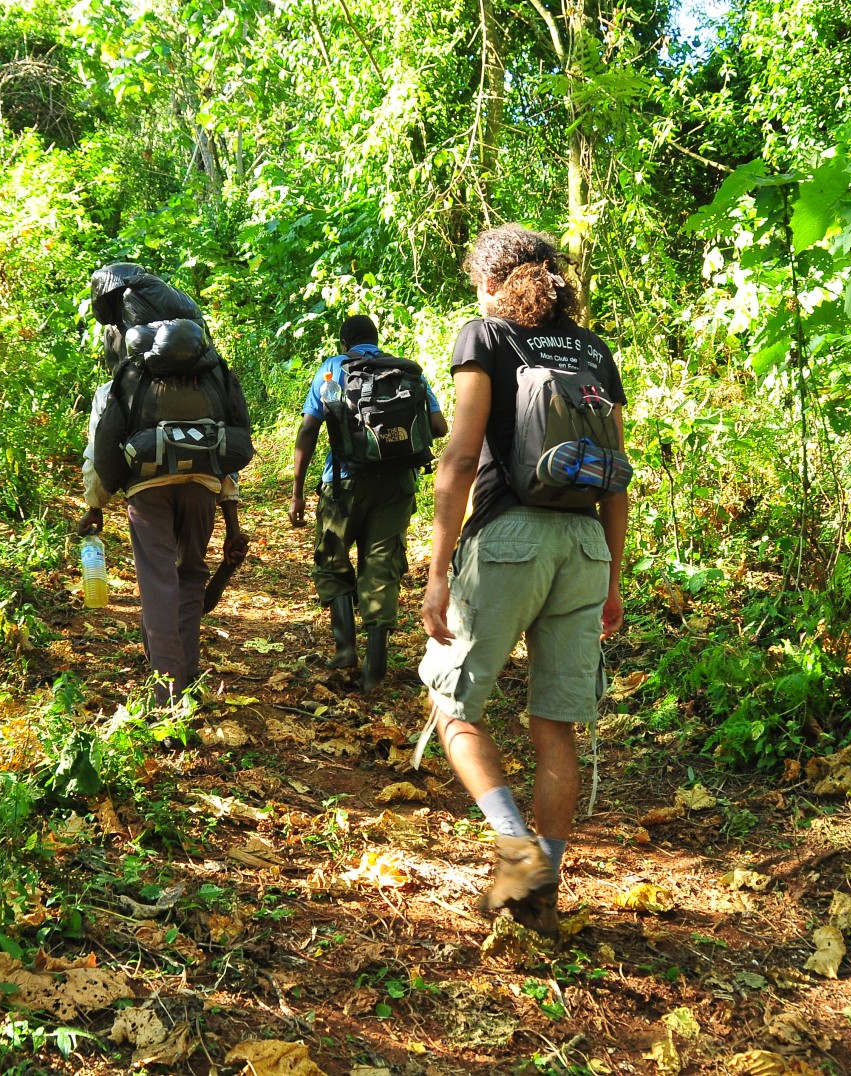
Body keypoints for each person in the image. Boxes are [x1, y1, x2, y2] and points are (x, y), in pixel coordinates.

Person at [418, 225, 629, 936]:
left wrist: (439, 566)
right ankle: (548, 884)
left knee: (454, 707)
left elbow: (460, 452)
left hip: (509, 539)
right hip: (585, 544)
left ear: (489, 282)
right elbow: (617, 478)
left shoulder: (485, 336)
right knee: (554, 726)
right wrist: (613, 579)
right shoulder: (594, 350)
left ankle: (516, 853)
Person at [81, 263, 251, 706]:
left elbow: (101, 447)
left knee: (158, 584)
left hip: (147, 489)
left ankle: (167, 692)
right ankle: (185, 675)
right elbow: (230, 448)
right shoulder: (213, 371)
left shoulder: (124, 378)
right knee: (190, 576)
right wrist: (231, 515)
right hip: (203, 488)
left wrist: (96, 505)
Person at [290, 315, 448, 691]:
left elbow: (310, 427)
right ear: (376, 340)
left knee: (333, 560)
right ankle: (375, 669)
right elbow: (440, 427)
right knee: (382, 565)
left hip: (343, 483)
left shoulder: (332, 369)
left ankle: (345, 650)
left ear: (344, 342)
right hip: (396, 485)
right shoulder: (405, 372)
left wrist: (297, 489)